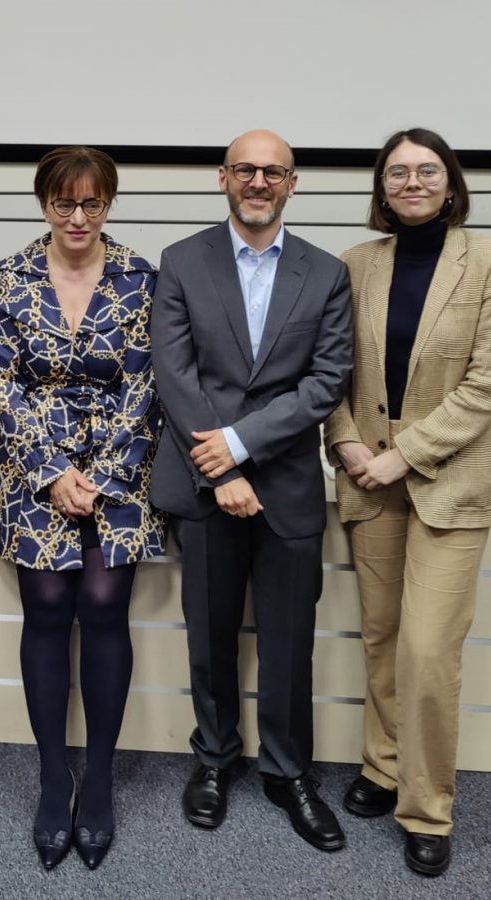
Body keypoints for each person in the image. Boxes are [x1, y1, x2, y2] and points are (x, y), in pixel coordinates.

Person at [149, 129, 353, 852]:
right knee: (208, 637)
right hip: (206, 492)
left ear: (292, 183)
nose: (258, 181)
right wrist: (223, 471)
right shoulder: (180, 262)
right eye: (245, 169)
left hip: (289, 490)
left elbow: (326, 381)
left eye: (273, 171)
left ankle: (287, 770)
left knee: (289, 644)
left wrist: (240, 445)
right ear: (223, 178)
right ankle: (213, 759)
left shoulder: (326, 274)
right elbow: (176, 378)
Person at [324, 128, 491, 877]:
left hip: (448, 476)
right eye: (397, 171)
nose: (411, 182)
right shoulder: (355, 265)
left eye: (426, 170)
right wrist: (346, 445)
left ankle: (427, 807)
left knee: (428, 651)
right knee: (382, 636)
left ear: (450, 181)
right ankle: (381, 765)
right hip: (368, 471)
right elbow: (330, 371)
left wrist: (407, 452)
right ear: (381, 186)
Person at [0, 146, 165, 870]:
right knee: (49, 609)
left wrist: (102, 473)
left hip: (121, 469)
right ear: (44, 204)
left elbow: (148, 382)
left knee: (102, 604)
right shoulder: (10, 276)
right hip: (33, 469)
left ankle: (101, 783)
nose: (78, 217)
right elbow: (0, 379)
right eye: (65, 203)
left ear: (109, 205)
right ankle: (54, 778)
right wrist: (54, 472)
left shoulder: (142, 278)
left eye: (92, 203)